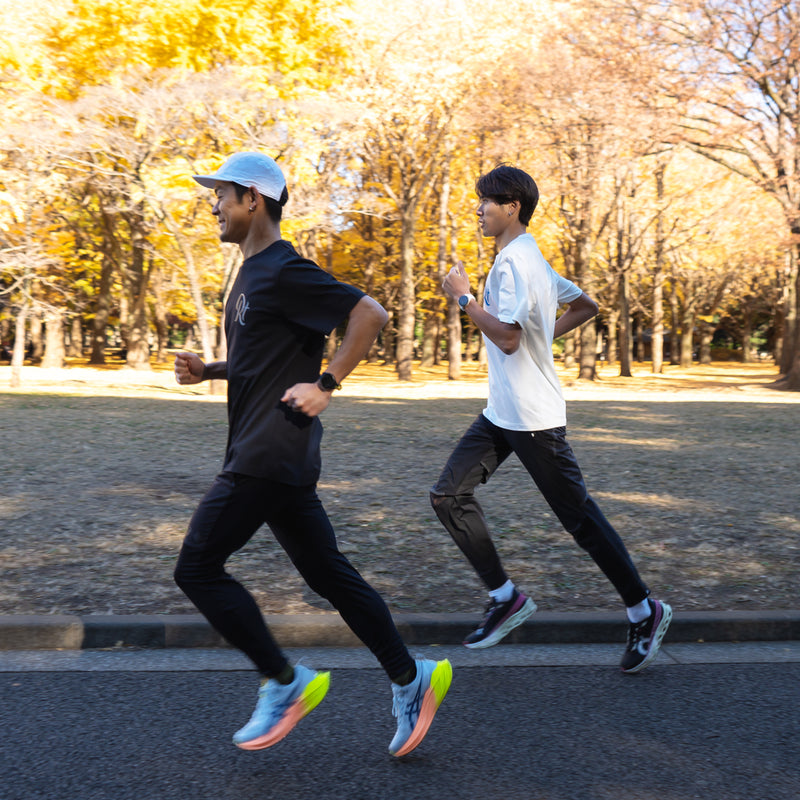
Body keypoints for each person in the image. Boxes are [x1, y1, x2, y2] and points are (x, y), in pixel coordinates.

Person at [173, 151, 451, 755]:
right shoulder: (249, 275)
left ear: (253, 198)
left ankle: (284, 682)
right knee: (328, 574)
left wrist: (328, 385)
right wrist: (210, 370)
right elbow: (261, 360)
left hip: (266, 452)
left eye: (219, 193)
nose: (211, 204)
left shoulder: (282, 268)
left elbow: (368, 314)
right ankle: (411, 677)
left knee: (195, 567)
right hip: (278, 454)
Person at [434, 164, 672, 674]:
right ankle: (506, 597)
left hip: (532, 418)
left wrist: (462, 297)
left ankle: (644, 609)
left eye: (486, 202)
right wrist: (542, 339)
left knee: (579, 518)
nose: (479, 210)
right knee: (448, 495)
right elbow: (585, 305)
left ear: (512, 206)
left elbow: (508, 337)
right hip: (504, 412)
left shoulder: (513, 265)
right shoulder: (531, 259)